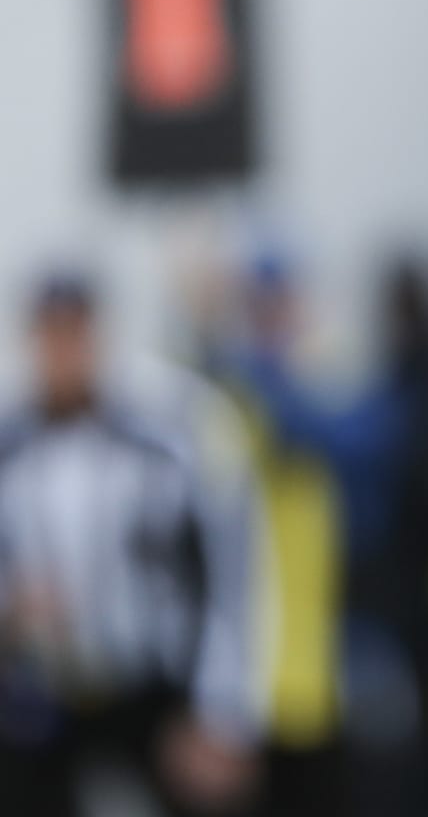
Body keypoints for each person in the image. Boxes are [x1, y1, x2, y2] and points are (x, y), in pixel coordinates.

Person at [0, 272, 263, 816]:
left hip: (151, 688)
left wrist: (222, 706)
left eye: (75, 334)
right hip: (43, 695)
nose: (63, 351)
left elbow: (228, 568)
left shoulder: (162, 437)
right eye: (51, 335)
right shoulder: (14, 446)